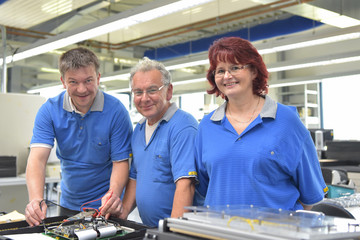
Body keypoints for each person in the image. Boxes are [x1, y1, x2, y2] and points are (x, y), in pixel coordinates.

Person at [195, 37, 327, 211]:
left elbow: (310, 197)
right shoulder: (207, 126)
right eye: (220, 71)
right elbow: (203, 187)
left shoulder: (287, 121)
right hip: (219, 234)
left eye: (235, 67)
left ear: (254, 72)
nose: (227, 76)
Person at [25, 47, 133, 226]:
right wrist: (36, 200)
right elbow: (37, 159)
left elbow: (120, 162)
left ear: (98, 78)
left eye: (88, 80)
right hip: (68, 203)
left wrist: (112, 197)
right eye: (73, 82)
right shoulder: (49, 110)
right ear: (63, 81)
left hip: (106, 207)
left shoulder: (116, 111)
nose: (82, 89)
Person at [118, 57, 198, 227]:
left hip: (177, 231)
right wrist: (122, 214)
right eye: (138, 92)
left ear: (168, 91)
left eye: (152, 90)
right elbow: (135, 177)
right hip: (150, 229)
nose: (144, 98)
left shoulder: (182, 126)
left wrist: (173, 233)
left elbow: (186, 185)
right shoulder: (138, 130)